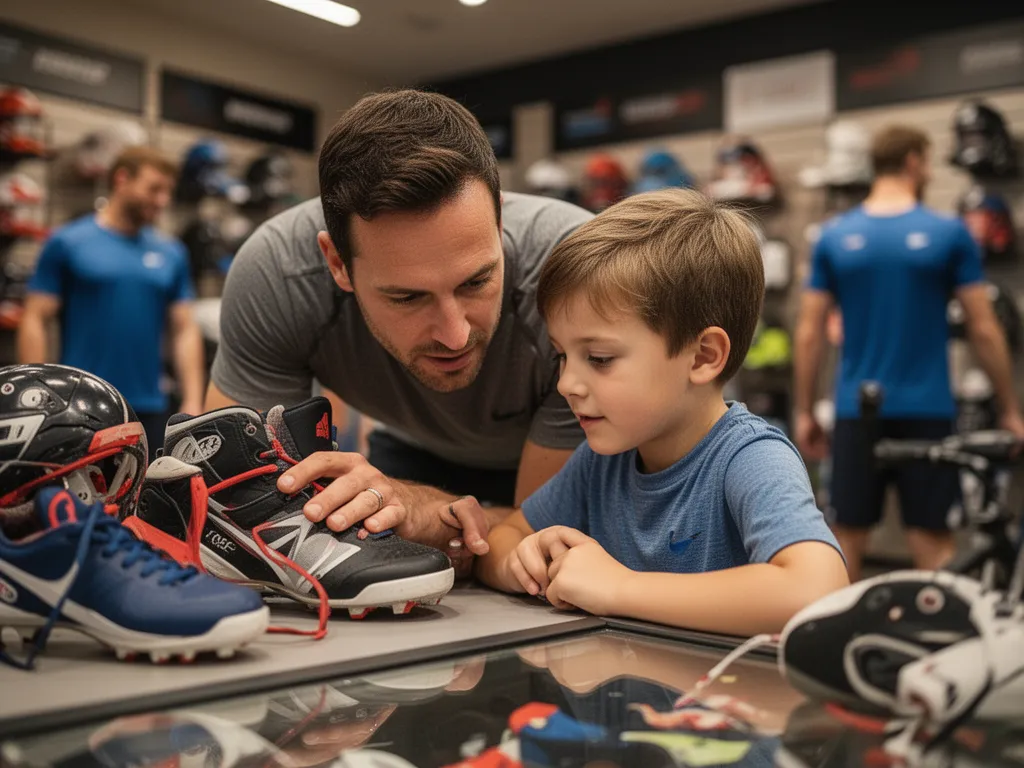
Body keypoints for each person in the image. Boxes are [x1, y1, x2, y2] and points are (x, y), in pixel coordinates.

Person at [206, 89, 593, 565]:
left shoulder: (576, 275)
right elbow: (237, 505)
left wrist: (426, 513)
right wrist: (412, 506)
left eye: (476, 281)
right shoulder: (279, 276)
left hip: (538, 472)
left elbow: (542, 537)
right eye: (407, 297)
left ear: (499, 224)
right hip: (406, 456)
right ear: (337, 263)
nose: (455, 335)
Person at [475, 188, 848, 636]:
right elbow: (504, 536)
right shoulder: (600, 463)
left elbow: (818, 590)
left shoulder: (750, 459)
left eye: (599, 358)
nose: (566, 384)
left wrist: (620, 588)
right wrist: (525, 562)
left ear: (702, 356)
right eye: (561, 356)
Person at [793, 124, 1024, 582]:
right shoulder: (949, 232)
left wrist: (803, 410)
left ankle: (837, 630)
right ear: (914, 161)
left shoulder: (834, 236)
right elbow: (983, 328)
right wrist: (1009, 408)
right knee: (934, 546)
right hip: (928, 411)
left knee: (843, 544)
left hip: (856, 412)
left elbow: (808, 332)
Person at [18, 146, 204, 459]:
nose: (162, 200)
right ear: (122, 179)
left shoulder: (172, 253)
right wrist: (36, 395)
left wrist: (193, 401)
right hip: (79, 405)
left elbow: (184, 328)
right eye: (154, 189)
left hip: (149, 408)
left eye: (167, 192)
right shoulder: (68, 241)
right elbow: (35, 317)